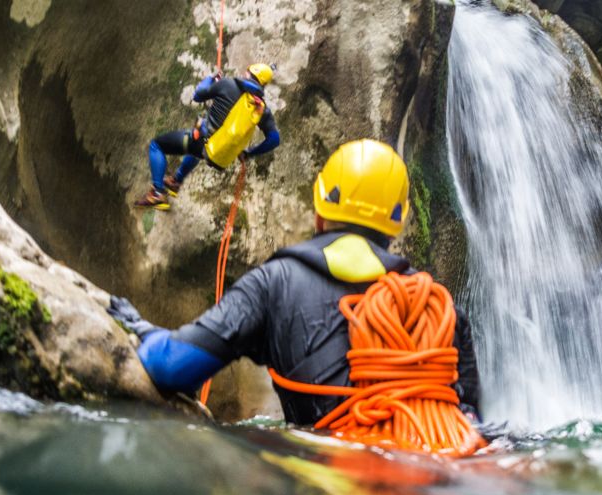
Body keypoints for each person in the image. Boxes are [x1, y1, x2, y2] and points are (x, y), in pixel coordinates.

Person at [110, 139, 481, 424]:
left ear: (320, 210)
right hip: (433, 486)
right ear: (397, 223)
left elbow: (172, 366)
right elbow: (470, 420)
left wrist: (142, 328)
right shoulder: (440, 307)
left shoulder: (274, 284)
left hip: (325, 486)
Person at [136, 63, 282, 210]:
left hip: (201, 140)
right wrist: (249, 153)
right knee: (197, 150)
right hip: (217, 154)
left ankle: (157, 193)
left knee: (157, 145)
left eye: (247, 71)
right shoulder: (261, 109)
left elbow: (198, 95)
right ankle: (176, 181)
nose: (244, 73)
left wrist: (211, 78)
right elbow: (274, 140)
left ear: (251, 73)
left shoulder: (228, 84)